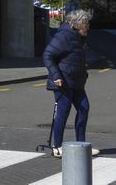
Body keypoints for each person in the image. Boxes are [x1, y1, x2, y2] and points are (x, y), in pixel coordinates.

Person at [42, 9, 99, 158]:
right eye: (86, 24)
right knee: (63, 112)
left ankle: (81, 145)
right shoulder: (64, 37)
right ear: (78, 24)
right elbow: (48, 55)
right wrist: (56, 76)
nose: (88, 27)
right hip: (63, 82)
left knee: (84, 108)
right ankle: (57, 146)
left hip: (76, 82)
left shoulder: (78, 37)